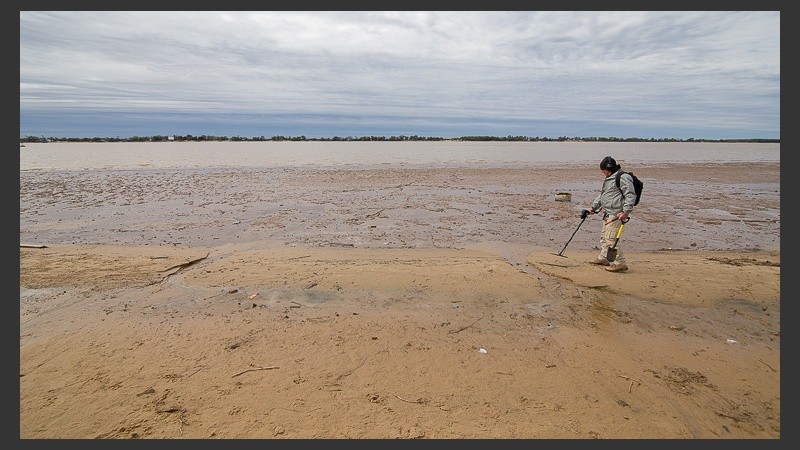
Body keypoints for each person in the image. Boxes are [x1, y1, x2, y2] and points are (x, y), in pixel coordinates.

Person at [585, 156, 636, 272]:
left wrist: (625, 212)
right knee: (604, 237)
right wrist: (593, 207)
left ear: (608, 168)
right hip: (608, 212)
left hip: (617, 213)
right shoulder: (609, 178)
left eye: (603, 169)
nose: (602, 172)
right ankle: (604, 258)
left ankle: (620, 263)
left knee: (611, 238)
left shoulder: (623, 177)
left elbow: (630, 195)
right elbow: (604, 195)